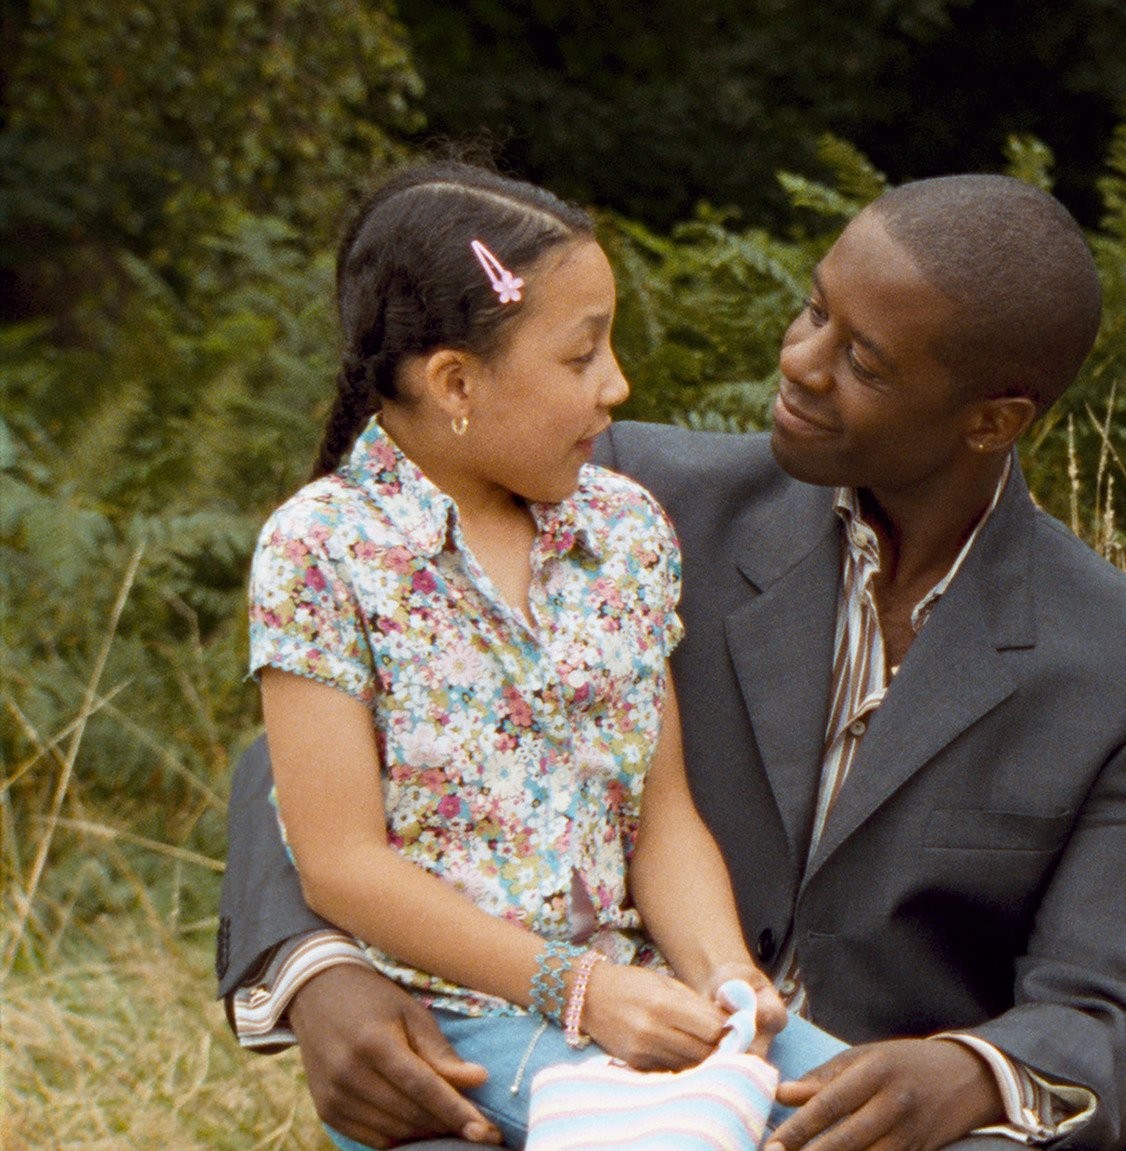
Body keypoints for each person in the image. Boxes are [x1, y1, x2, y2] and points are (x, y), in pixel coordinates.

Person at [217, 172, 1126, 1151]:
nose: (797, 360)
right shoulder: (612, 488)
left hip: (834, 1102)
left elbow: (1114, 1013)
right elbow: (319, 757)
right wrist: (315, 968)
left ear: (990, 419)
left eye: (862, 360)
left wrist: (963, 1074)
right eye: (810, 309)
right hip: (532, 1052)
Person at [244, 161, 844, 1149]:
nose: (618, 385)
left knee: (888, 1118)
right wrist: (575, 990)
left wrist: (725, 970)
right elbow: (342, 864)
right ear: (455, 383)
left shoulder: (624, 529)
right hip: (453, 1020)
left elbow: (660, 818)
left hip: (635, 997)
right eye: (581, 355)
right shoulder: (320, 550)